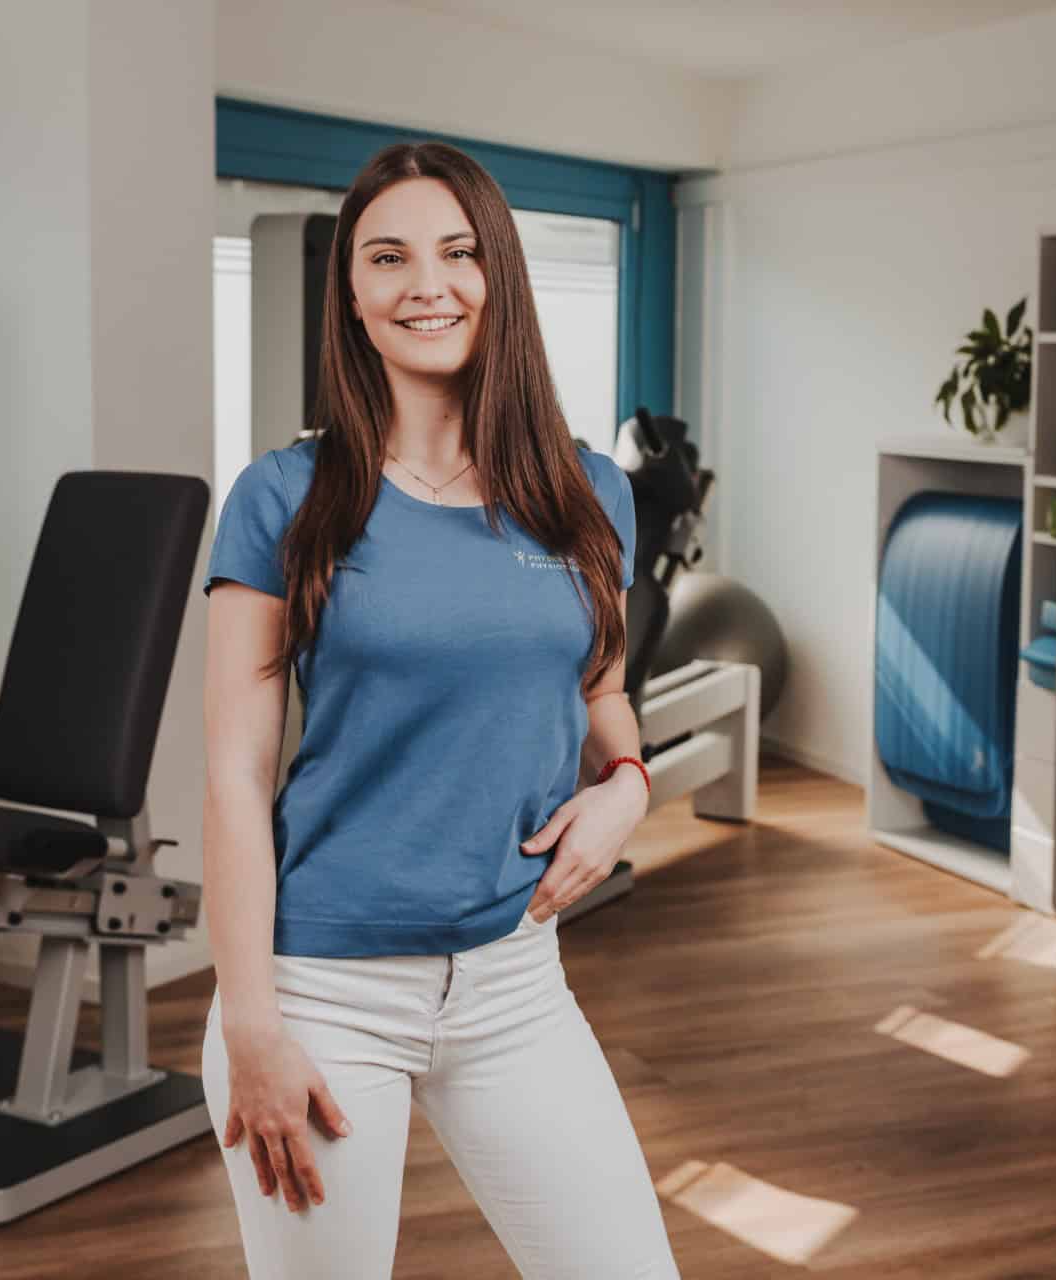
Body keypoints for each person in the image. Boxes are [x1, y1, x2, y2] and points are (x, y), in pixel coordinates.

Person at [200, 140, 681, 1280]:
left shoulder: (584, 489)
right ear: (354, 297)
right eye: (389, 257)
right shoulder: (285, 497)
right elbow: (231, 775)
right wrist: (253, 1026)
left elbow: (604, 694)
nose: (428, 284)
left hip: (516, 979)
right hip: (324, 988)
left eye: (459, 252)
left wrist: (630, 788)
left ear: (498, 276)